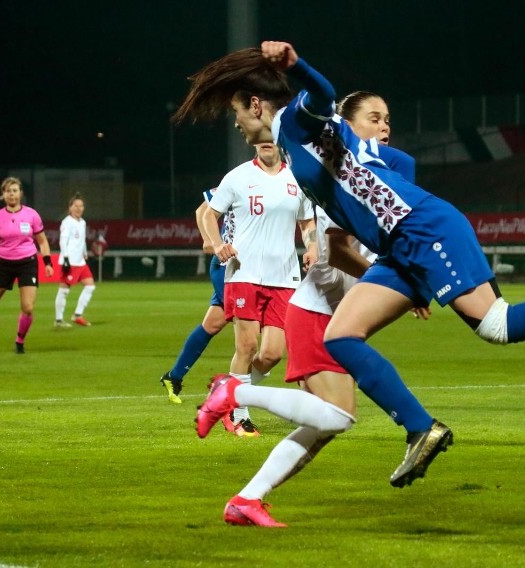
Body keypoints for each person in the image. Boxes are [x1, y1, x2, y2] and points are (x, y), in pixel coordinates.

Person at [173, 41, 525, 490]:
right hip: (399, 246)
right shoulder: (303, 147)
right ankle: (420, 429)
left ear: (255, 105)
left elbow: (323, 94)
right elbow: (391, 172)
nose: (236, 123)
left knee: (497, 324)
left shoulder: (295, 124)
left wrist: (296, 64)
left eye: (237, 111)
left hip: (423, 230)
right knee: (341, 337)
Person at [198, 92, 420, 527]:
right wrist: (397, 275)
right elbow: (338, 252)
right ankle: (233, 393)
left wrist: (401, 276)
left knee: (323, 428)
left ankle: (247, 500)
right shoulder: (344, 179)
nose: (385, 126)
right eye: (374, 119)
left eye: (388, 118)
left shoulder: (373, 178)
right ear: (348, 127)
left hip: (333, 313)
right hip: (319, 313)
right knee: (338, 416)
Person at [200, 142, 318, 436]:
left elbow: (307, 222)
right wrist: (217, 245)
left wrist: (313, 245)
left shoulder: (297, 179)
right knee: (248, 346)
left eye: (271, 134)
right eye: (260, 135)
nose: (266, 140)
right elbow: (207, 215)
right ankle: (239, 416)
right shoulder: (238, 176)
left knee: (273, 354)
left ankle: (226, 391)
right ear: (252, 141)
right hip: (244, 272)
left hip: (284, 276)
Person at [159, 188, 234, 404]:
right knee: (253, 331)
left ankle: (173, 377)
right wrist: (210, 240)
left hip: (251, 270)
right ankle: (233, 402)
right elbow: (203, 209)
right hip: (229, 267)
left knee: (212, 324)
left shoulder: (281, 182)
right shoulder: (239, 178)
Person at [0, 177, 54, 354]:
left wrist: (47, 262)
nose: (11, 194)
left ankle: (20, 341)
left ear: (20, 193)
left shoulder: (32, 215)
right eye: (8, 191)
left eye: (14, 190)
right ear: (2, 195)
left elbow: (42, 241)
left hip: (27, 263)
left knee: (27, 308)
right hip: (4, 263)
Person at [54, 193, 96, 328]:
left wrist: (84, 252)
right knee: (64, 290)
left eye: (81, 206)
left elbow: (82, 239)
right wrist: (65, 258)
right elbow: (63, 241)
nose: (79, 208)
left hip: (80, 262)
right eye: (76, 206)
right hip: (70, 261)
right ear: (70, 208)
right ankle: (59, 320)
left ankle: (77, 315)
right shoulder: (67, 222)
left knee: (90, 286)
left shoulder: (83, 222)